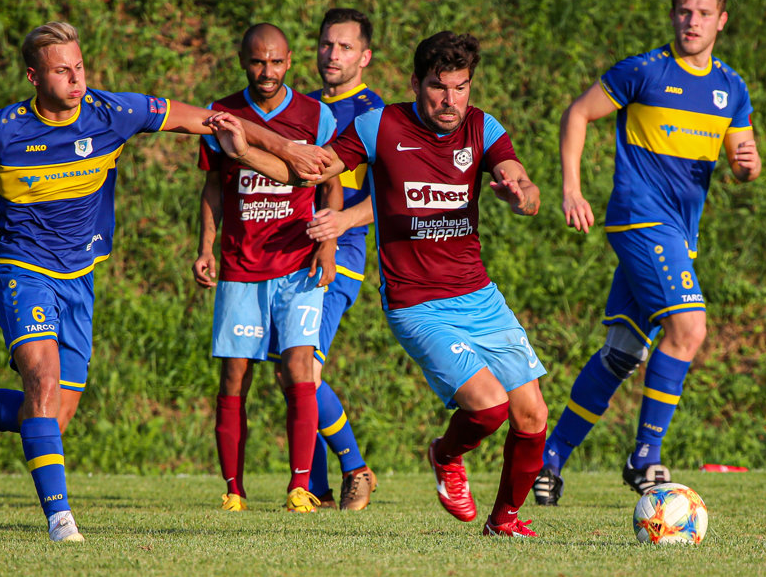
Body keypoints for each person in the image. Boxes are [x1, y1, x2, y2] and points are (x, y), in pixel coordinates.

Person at [0, 21, 328, 542]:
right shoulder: (0, 130)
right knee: (44, 382)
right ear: (34, 77)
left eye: (79, 67)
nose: (76, 80)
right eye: (61, 71)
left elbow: (214, 120)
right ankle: (61, 523)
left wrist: (287, 148)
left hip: (79, 277)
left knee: (52, 415)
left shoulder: (111, 112)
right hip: (22, 270)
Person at [208, 31, 550, 537]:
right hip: (418, 303)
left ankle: (503, 521)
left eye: (460, 87)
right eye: (438, 87)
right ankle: (445, 454)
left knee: (532, 415)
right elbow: (308, 172)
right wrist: (246, 152)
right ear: (416, 83)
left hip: (479, 296)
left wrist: (520, 193)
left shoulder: (482, 126)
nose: (450, 100)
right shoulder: (380, 125)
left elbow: (522, 181)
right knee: (489, 406)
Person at [533, 0, 761, 505]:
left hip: (680, 233)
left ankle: (549, 460)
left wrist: (748, 167)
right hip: (641, 218)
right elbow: (576, 114)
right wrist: (572, 188)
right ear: (673, 15)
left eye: (703, 13)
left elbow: (746, 159)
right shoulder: (645, 72)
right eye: (684, 11)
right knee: (689, 327)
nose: (692, 21)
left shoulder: (731, 88)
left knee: (622, 353)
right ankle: (645, 457)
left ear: (721, 21)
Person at [192, 23, 339, 514]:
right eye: (258, 62)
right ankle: (233, 489)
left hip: (298, 262)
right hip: (241, 266)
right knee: (235, 378)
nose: (267, 71)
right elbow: (213, 188)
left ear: (290, 60)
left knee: (300, 369)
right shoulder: (222, 114)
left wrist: (329, 244)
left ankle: (301, 486)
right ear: (242, 59)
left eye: (276, 62)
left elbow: (330, 180)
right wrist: (207, 246)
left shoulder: (316, 115)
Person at [301, 8, 384, 511]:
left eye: (346, 47)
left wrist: (335, 228)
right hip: (290, 251)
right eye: (327, 45)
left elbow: (388, 200)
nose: (333, 55)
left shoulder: (378, 117)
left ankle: (355, 469)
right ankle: (314, 489)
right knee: (291, 367)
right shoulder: (300, 106)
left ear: (365, 57)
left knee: (304, 367)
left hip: (341, 256)